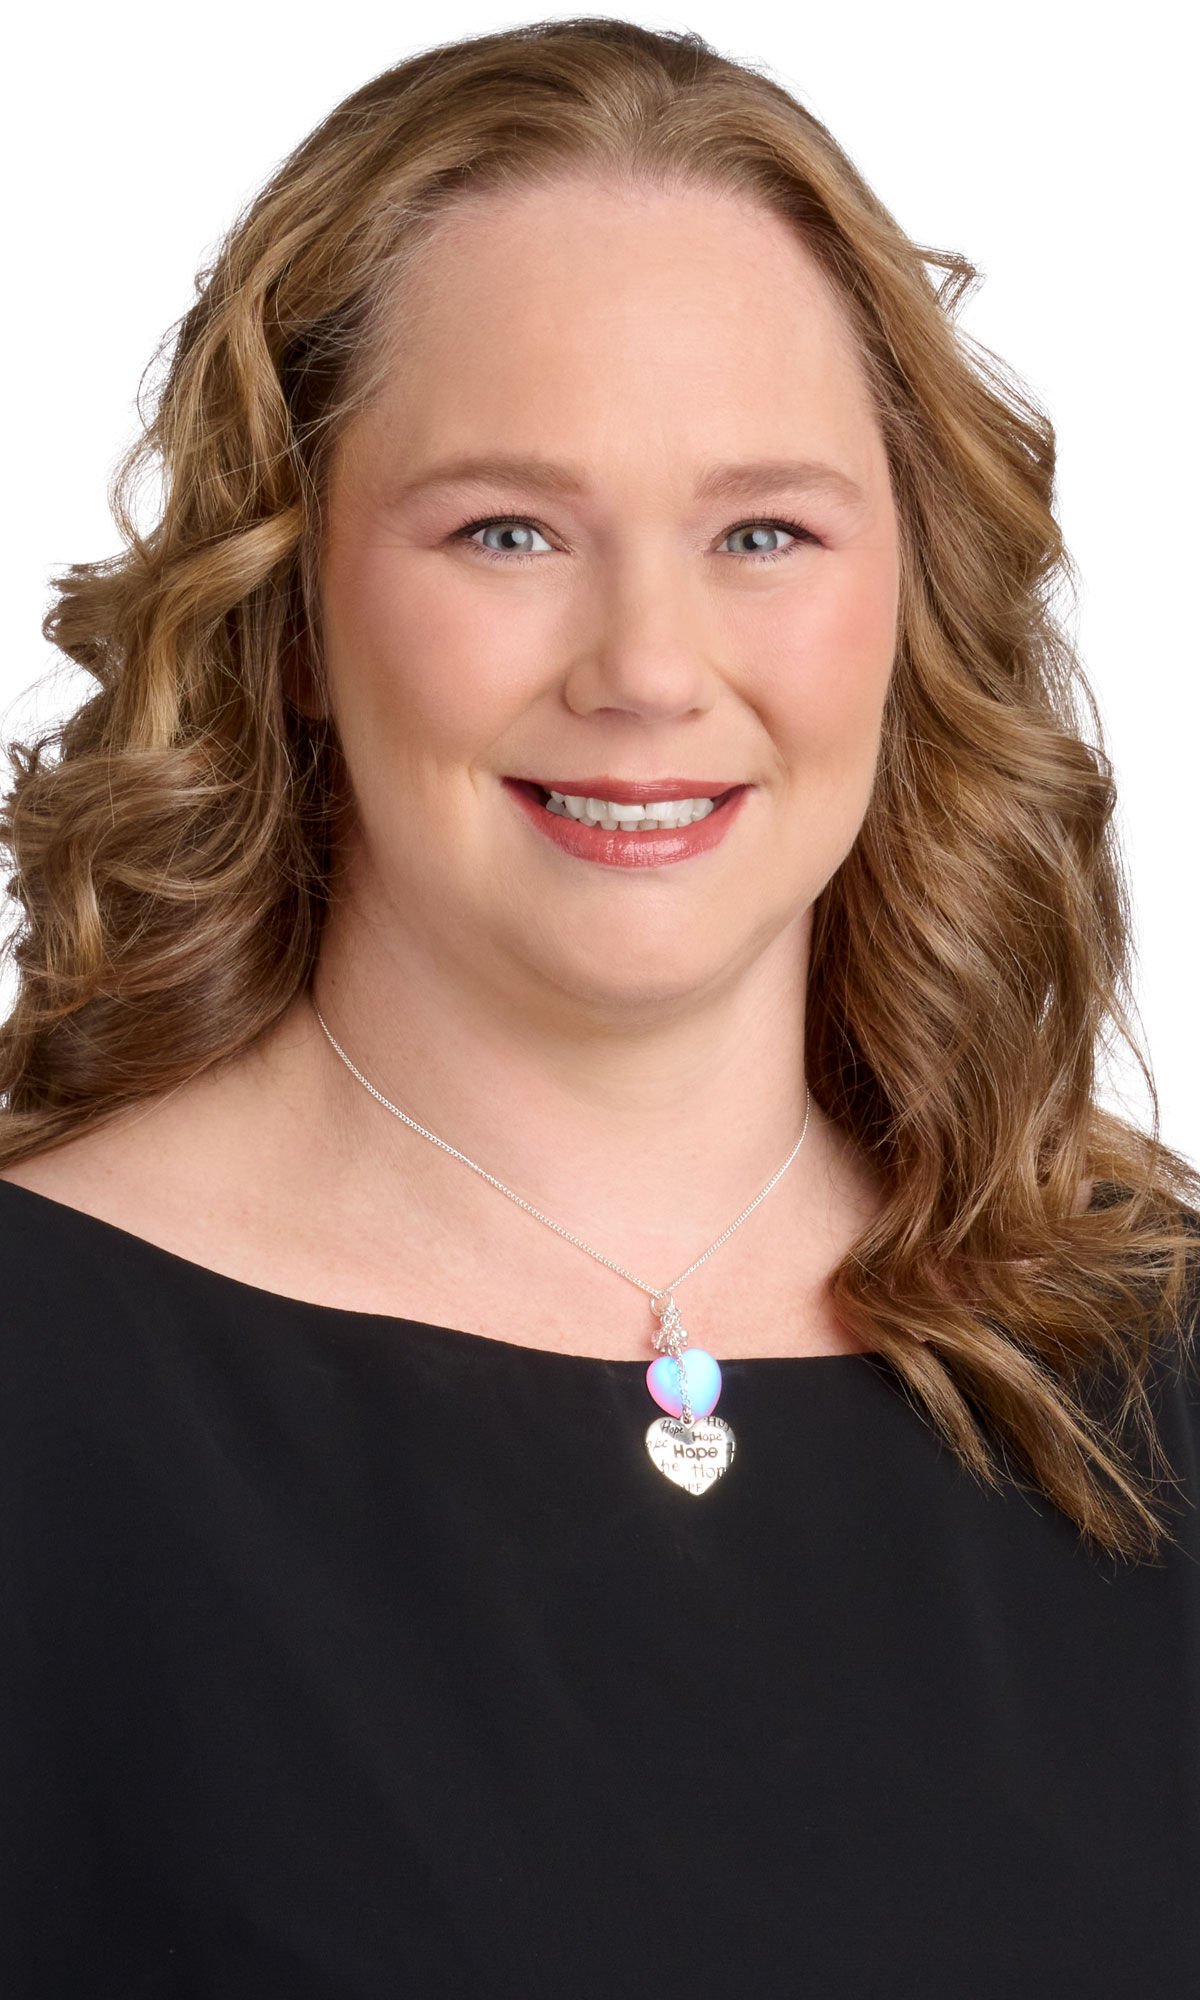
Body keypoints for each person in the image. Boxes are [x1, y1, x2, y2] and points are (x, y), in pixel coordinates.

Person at [2, 16, 1198, 1996]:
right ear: (290, 610)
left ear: (910, 591)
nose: (648, 666)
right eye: (509, 531)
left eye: (762, 533)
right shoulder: (42, 1391)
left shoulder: (1148, 1363)